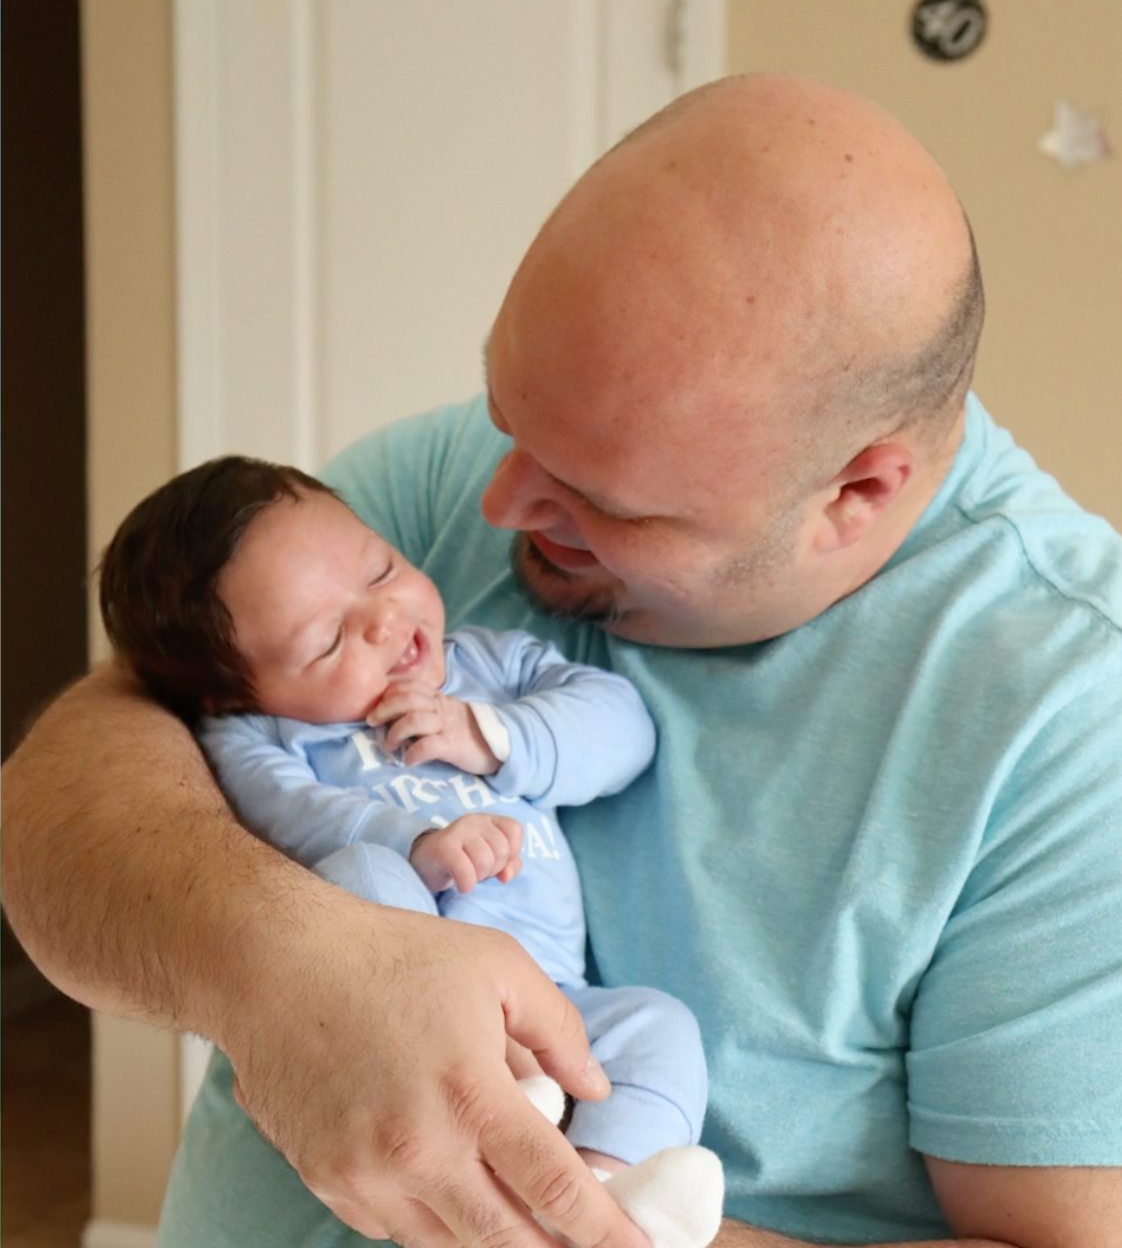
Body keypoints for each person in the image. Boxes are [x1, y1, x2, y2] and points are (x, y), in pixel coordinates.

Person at [3, 73, 1122, 1248]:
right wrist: (285, 965)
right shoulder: (437, 501)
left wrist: (553, 1213)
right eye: (505, 417)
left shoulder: (1067, 715)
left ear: (855, 493)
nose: (497, 502)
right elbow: (72, 792)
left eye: (600, 501)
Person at [95, 454, 723, 1247]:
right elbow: (283, 816)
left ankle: (599, 1192)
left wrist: (494, 735)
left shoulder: (490, 667)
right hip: (400, 1008)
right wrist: (416, 844)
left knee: (658, 1027)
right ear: (233, 692)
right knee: (357, 875)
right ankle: (490, 1086)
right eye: (329, 639)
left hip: (550, 998)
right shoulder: (258, 735)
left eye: (381, 570)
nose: (385, 619)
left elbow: (624, 729)